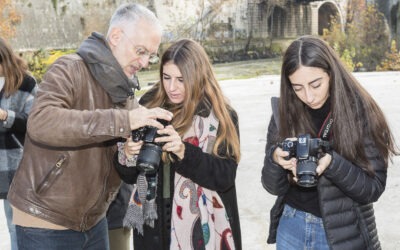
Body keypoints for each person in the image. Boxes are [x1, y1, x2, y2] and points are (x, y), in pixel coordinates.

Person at [7, 3, 173, 249]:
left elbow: (110, 163)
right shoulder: (70, 69)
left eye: (151, 55)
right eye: (141, 51)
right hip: (45, 220)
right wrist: (124, 121)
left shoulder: (125, 91)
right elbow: (41, 122)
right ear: (116, 36)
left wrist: (127, 155)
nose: (145, 61)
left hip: (94, 222)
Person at [261, 35, 398, 250]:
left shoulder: (361, 111)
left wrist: (331, 164)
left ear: (331, 73)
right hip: (291, 226)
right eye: (297, 87)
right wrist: (276, 159)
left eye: (316, 84)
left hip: (342, 233)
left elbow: (373, 188)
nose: (308, 96)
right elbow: (271, 186)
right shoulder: (283, 112)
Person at [114, 38, 242, 249]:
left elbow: (225, 177)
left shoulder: (220, 116)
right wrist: (127, 153)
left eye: (181, 80)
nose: (172, 87)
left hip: (201, 230)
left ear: (198, 76)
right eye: (166, 77)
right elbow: (128, 175)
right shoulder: (147, 106)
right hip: (151, 225)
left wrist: (184, 152)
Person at [0, 37, 37, 250]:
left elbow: (36, 123)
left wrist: (6, 115)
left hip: (16, 166)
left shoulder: (26, 83)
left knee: (17, 226)